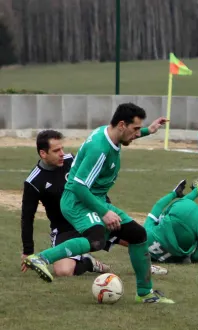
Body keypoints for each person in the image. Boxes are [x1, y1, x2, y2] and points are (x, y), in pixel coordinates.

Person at [22, 103, 175, 304]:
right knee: (96, 240)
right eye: (136, 129)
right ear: (122, 125)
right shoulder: (99, 150)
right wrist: (104, 212)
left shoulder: (110, 133)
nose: (136, 134)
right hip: (77, 201)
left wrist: (149, 130)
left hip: (93, 199)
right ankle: (41, 258)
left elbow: (126, 136)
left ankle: (145, 294)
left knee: (138, 235)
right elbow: (78, 186)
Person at [21, 130, 111, 277]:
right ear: (43, 154)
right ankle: (88, 262)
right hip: (64, 229)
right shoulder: (34, 181)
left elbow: (93, 185)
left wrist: (105, 209)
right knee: (63, 271)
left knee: (133, 235)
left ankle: (147, 267)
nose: (62, 153)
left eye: (62, 148)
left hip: (89, 218)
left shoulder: (72, 161)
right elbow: (27, 217)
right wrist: (28, 251)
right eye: (56, 150)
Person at [113, 179, 198, 267]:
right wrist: (173, 194)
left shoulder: (173, 258)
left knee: (191, 220)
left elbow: (197, 257)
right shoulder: (147, 235)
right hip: (180, 211)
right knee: (166, 213)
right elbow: (158, 206)